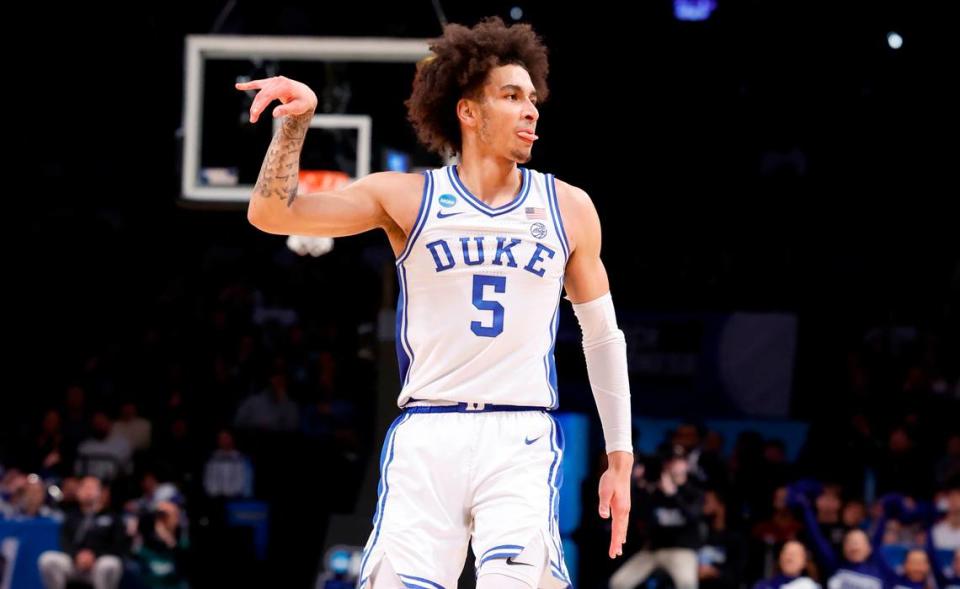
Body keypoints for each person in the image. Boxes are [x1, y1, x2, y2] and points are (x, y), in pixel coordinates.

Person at [239, 17, 633, 589]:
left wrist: (619, 454)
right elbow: (272, 215)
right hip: (429, 431)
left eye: (532, 98)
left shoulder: (568, 207)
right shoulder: (408, 195)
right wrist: (295, 126)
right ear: (468, 112)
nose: (531, 111)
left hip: (520, 436)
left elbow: (602, 337)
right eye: (511, 96)